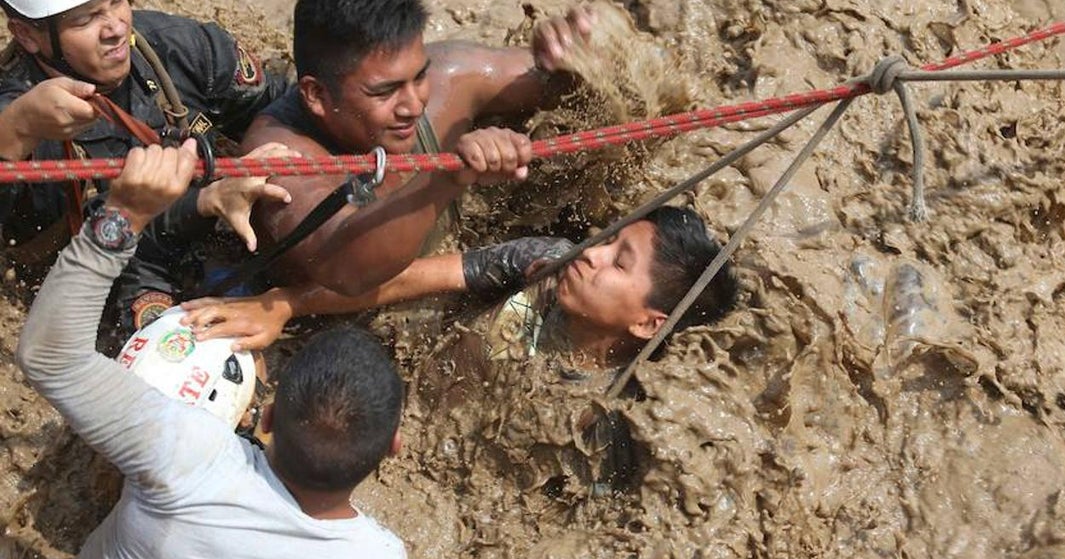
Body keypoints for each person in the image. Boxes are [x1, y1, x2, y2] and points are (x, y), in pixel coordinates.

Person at [16, 141, 407, 559]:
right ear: (393, 445)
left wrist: (125, 213)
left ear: (265, 418)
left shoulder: (189, 454)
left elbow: (50, 358)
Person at [239, 0, 597, 297]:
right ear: (316, 94)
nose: (414, 104)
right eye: (384, 91)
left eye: (420, 75)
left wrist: (581, 51)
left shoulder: (452, 75)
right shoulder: (277, 152)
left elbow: (583, 88)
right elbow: (345, 268)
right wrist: (448, 177)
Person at [0, 0, 291, 341]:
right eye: (85, 19)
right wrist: (14, 133)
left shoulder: (182, 47)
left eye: (117, 0)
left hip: (219, 224)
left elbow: (285, 106)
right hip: (115, 280)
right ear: (28, 36)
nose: (116, 28)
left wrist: (267, 155)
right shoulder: (20, 118)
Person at [182, 205, 740, 369]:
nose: (589, 252)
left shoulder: (614, 414)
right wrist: (282, 303)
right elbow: (413, 277)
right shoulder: (545, 265)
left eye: (617, 262)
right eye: (607, 239)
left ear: (647, 323)